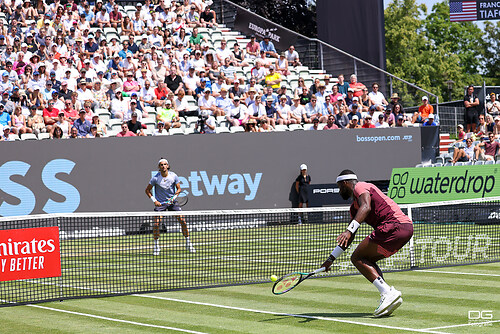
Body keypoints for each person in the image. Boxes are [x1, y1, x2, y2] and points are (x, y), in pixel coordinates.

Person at [321, 170, 413, 317]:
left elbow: (366, 207)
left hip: (394, 226)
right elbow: (348, 239)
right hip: (404, 230)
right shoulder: (354, 209)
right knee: (366, 259)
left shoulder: (361, 186)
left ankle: (387, 292)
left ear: (345, 183)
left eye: (339, 187)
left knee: (356, 258)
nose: (339, 191)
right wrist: (330, 259)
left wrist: (349, 230)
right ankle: (388, 294)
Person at [145, 158, 195, 255]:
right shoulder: (155, 178)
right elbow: (147, 190)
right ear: (159, 167)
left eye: (165, 164)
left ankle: (188, 243)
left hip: (172, 203)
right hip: (160, 204)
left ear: (168, 166)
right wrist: (154, 200)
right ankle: (156, 246)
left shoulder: (173, 176)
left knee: (183, 221)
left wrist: (174, 197)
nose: (163, 166)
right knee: (156, 225)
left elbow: (179, 189)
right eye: (161, 165)